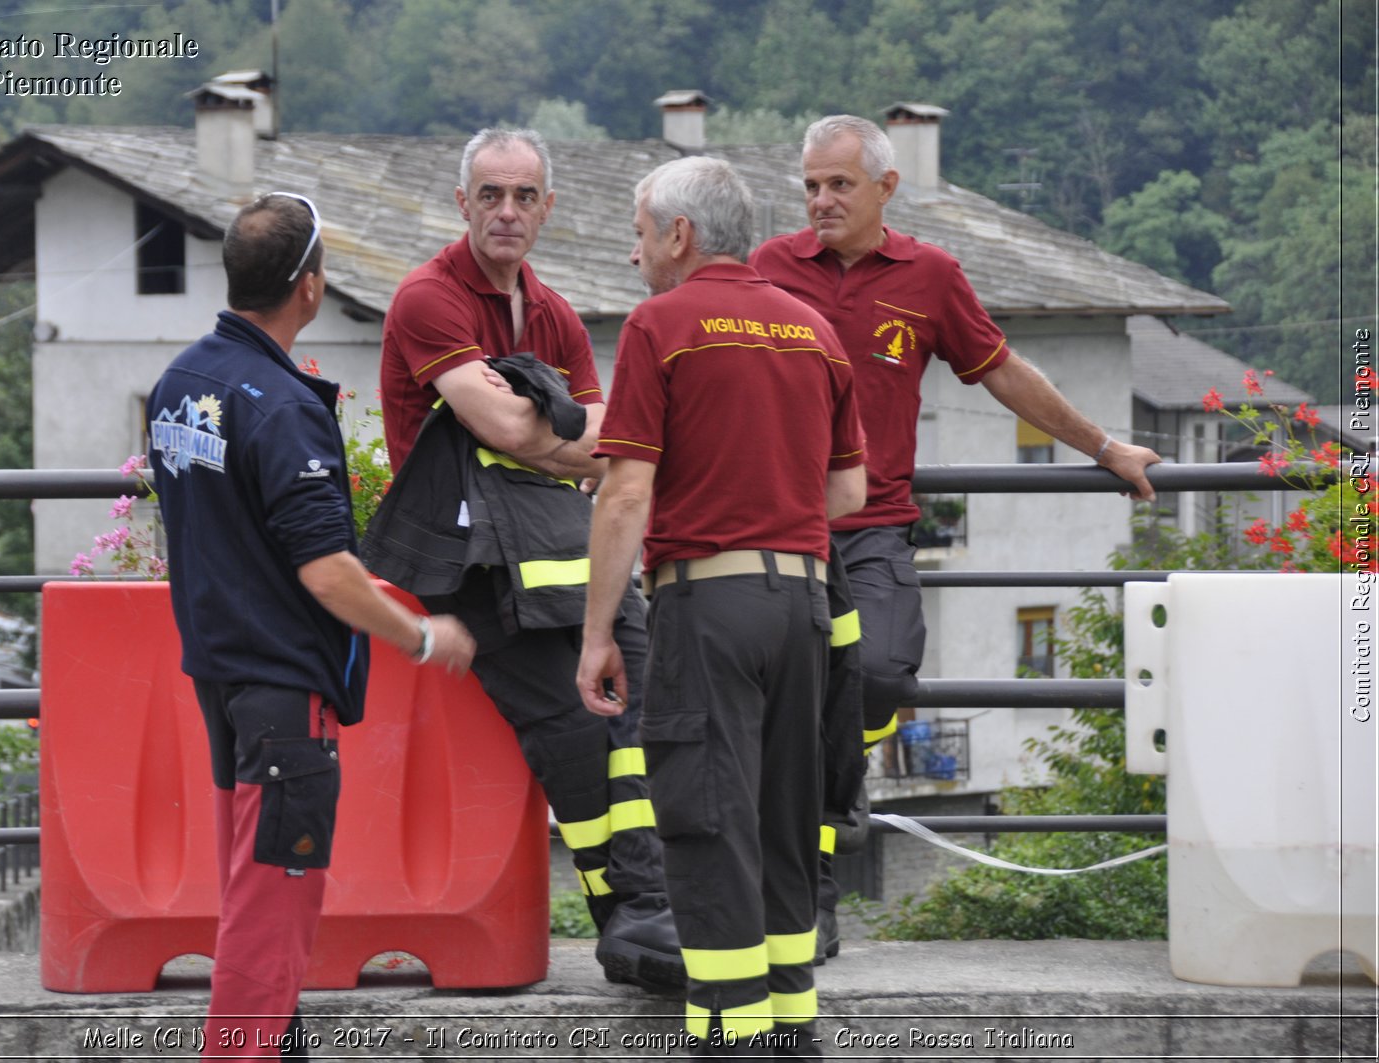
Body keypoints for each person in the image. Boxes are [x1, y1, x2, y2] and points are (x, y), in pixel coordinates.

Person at [748, 114, 1164, 960]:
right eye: (811, 186)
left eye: (839, 185)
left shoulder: (931, 276)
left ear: (885, 188)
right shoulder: (769, 269)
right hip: (777, 531)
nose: (821, 200)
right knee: (786, 719)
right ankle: (809, 905)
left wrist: (1104, 446)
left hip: (872, 530)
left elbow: (1002, 369)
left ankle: (848, 770)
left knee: (878, 674)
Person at [146, 191, 475, 1059]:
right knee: (272, 916)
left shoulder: (182, 382)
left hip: (220, 680)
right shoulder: (282, 407)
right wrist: (423, 636)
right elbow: (328, 571)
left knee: (250, 893)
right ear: (311, 288)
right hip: (284, 698)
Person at [377, 128, 683, 989]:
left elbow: (611, 444)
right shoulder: (426, 298)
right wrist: (558, 432)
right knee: (569, 721)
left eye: (523, 196)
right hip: (466, 563)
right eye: (489, 194)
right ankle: (629, 916)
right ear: (462, 203)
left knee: (642, 698)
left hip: (561, 547)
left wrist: (552, 433)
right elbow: (520, 428)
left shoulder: (551, 312)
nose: (506, 211)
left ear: (547, 207)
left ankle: (654, 905)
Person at [578, 155, 867, 1057]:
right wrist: (763, 503)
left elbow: (625, 494)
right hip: (806, 604)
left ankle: (730, 1036)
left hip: (709, 606)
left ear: (680, 234)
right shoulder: (814, 330)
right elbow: (850, 491)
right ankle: (790, 1030)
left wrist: (597, 636)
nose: (635, 256)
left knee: (706, 819)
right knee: (784, 819)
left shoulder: (661, 325)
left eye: (638, 233)